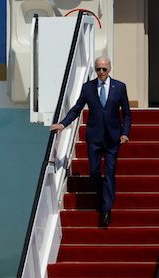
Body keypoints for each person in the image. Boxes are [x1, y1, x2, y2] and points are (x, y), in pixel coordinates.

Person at [50, 56, 131, 226]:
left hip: (112, 137)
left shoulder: (120, 87)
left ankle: (106, 209)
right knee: (94, 173)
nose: (101, 72)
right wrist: (63, 124)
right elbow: (77, 108)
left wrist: (125, 133)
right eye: (98, 69)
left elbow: (127, 113)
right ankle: (103, 196)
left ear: (109, 69)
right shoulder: (88, 88)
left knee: (109, 172)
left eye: (104, 69)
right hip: (94, 137)